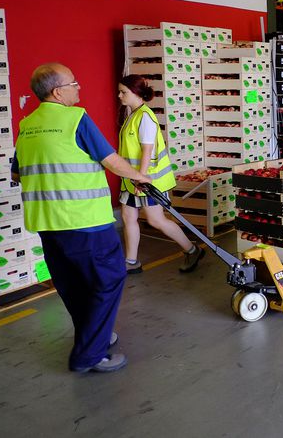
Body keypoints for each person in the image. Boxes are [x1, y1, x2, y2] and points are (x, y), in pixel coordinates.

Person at [12, 63, 151, 373]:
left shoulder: (27, 125)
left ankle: (95, 334)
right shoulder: (75, 119)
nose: (79, 88)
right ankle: (89, 355)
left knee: (73, 284)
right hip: (85, 221)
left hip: (47, 224)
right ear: (58, 92)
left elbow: (17, 173)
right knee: (110, 277)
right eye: (74, 83)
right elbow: (111, 160)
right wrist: (140, 177)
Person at [117, 75, 205, 274]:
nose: (119, 95)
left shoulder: (145, 117)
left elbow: (147, 150)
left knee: (155, 220)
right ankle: (131, 262)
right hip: (133, 180)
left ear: (136, 93)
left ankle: (192, 249)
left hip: (148, 180)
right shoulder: (131, 114)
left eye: (124, 92)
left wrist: (141, 177)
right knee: (128, 216)